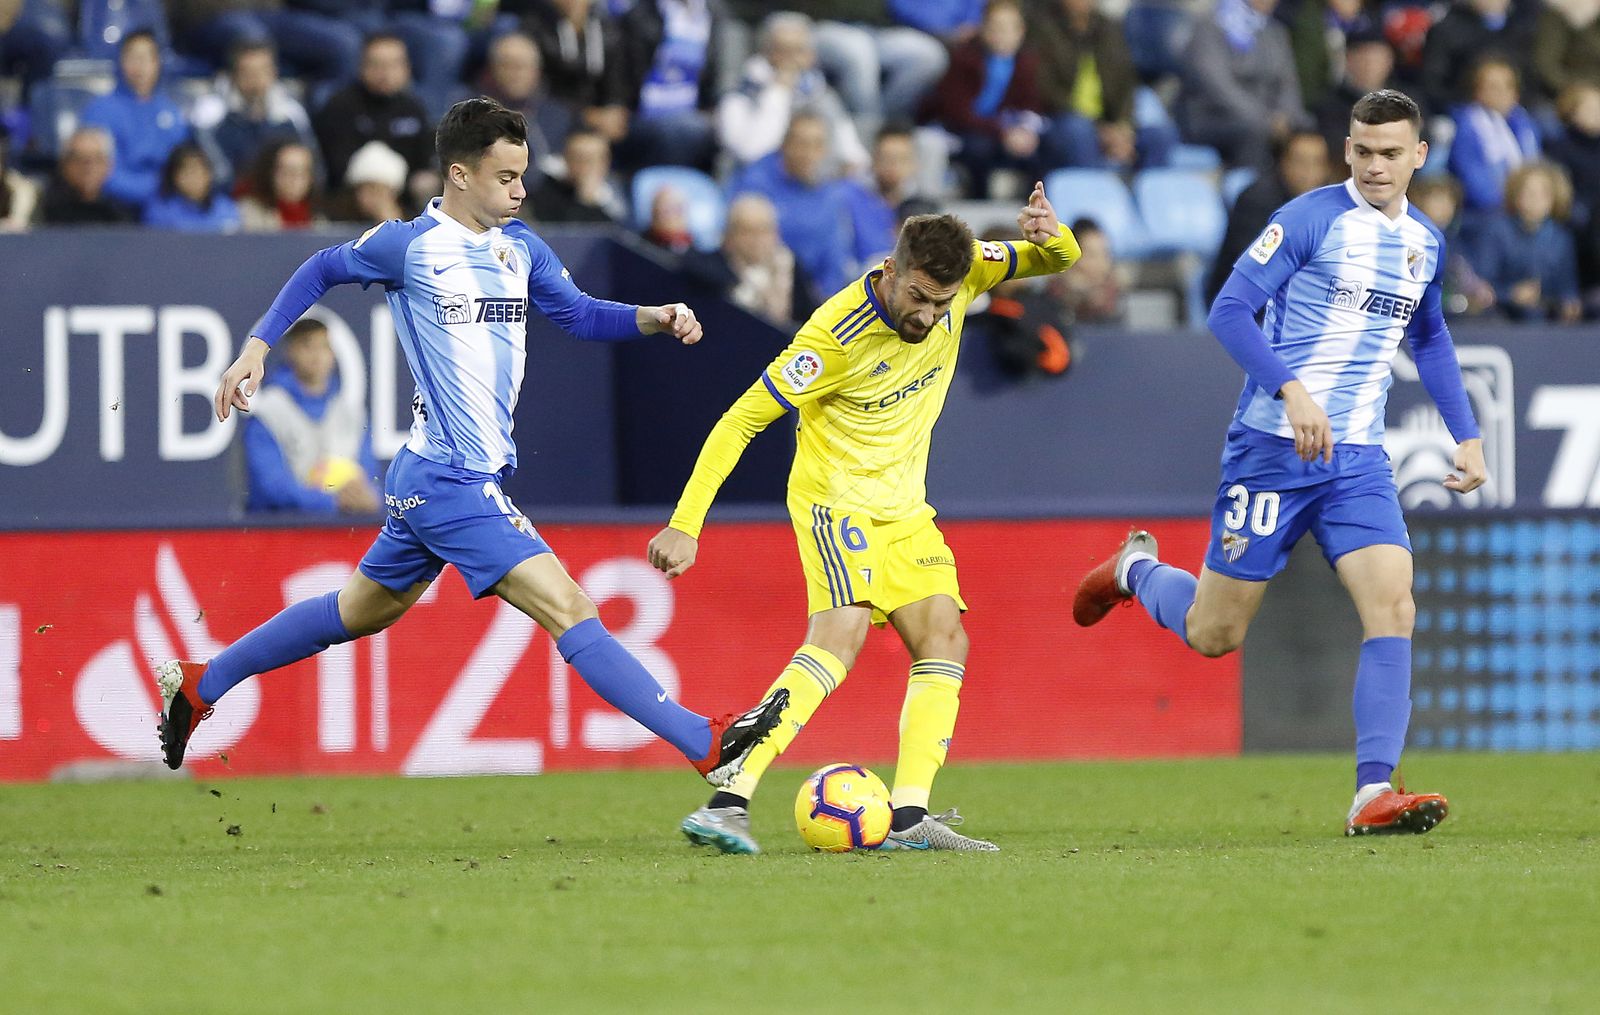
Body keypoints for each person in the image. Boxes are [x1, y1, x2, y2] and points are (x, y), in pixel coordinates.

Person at [157, 97, 787, 788]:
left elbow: (576, 313)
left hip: (433, 472)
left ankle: (200, 682)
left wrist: (653, 316)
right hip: (449, 478)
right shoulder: (410, 247)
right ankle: (705, 741)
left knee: (355, 610)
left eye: (523, 176)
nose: (520, 191)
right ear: (459, 175)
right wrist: (256, 347)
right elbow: (321, 269)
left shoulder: (520, 248)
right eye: (506, 177)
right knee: (570, 608)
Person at [1072, 90, 1487, 838]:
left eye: (1391, 153)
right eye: (1362, 151)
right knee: (1213, 634)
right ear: (1347, 150)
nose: (1375, 166)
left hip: (1356, 457)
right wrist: (1291, 389)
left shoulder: (1425, 240)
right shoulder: (1307, 219)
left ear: (1418, 156)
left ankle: (1371, 792)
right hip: (1271, 449)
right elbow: (1228, 309)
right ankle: (1137, 569)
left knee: (1394, 604)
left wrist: (1468, 432)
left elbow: (1429, 339)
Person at [648, 186, 1081, 854]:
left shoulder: (971, 270)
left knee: (945, 635)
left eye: (944, 303)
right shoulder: (834, 335)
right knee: (840, 636)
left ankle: (907, 814)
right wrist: (686, 521)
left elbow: (1058, 258)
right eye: (919, 297)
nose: (931, 315)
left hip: (904, 504)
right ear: (891, 269)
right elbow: (741, 420)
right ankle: (729, 796)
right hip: (835, 498)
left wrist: (1052, 234)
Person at [243, 318, 381, 515]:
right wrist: (332, 502)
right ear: (291, 352)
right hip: (283, 534)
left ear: (332, 354)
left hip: (342, 533)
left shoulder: (351, 413)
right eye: (308, 346)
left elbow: (368, 476)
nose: (317, 356)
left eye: (324, 347)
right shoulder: (268, 412)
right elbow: (270, 488)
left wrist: (370, 498)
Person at [919, 0, 1047, 198]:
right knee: (980, 148)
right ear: (983, 29)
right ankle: (979, 201)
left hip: (1002, 131)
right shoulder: (963, 57)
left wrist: (1025, 131)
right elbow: (958, 114)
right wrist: (1003, 132)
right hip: (960, 131)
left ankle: (1033, 206)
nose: (1002, 35)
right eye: (995, 28)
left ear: (1021, 31)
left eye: (1009, 28)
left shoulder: (1027, 62)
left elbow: (1030, 105)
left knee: (1038, 150)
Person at [716, 12, 868, 173]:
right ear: (766, 53)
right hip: (756, 185)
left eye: (798, 51)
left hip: (813, 186)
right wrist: (778, 93)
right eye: (782, 50)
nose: (790, 60)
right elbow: (752, 154)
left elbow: (852, 155)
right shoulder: (740, 94)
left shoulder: (822, 95)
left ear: (810, 57)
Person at [730, 111, 856, 298]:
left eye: (817, 145)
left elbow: (834, 264)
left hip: (806, 299)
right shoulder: (756, 180)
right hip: (753, 285)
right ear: (785, 144)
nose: (808, 153)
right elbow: (735, 242)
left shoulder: (830, 198)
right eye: (801, 143)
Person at [1177, 0, 1310, 170]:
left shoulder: (1276, 31)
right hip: (1211, 117)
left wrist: (1286, 116)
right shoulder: (1210, 26)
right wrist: (1265, 119)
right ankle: (1253, 191)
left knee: (1308, 128)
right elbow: (1218, 87)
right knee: (1256, 131)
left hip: (1268, 119)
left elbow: (1287, 83)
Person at [1206, 131, 1331, 303]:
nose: (1309, 172)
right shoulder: (1256, 200)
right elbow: (1252, 266)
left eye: (1317, 163)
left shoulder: (1327, 203)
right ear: (1283, 163)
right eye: (1301, 163)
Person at [79, 29, 191, 213]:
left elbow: (181, 165)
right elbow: (98, 171)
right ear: (121, 62)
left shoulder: (171, 112)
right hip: (114, 208)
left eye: (146, 58)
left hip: (169, 206)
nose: (139, 67)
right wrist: (155, 192)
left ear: (157, 63)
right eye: (132, 58)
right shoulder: (100, 110)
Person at [313, 33, 435, 197]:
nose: (385, 73)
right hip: (350, 199)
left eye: (393, 65)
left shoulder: (414, 108)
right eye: (377, 65)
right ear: (362, 67)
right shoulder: (341, 106)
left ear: (407, 69)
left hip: (405, 195)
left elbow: (425, 162)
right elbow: (338, 169)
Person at [1466, 161, 1583, 323]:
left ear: (1554, 198)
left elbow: (1567, 286)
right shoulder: (1496, 230)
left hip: (1549, 316)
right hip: (1502, 315)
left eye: (1543, 194)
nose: (1535, 200)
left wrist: (1570, 302)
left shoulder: (1561, 238)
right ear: (1516, 195)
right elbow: (1481, 283)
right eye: (1528, 192)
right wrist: (1511, 294)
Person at [190, 39, 318, 185]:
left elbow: (315, 171)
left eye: (263, 71)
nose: (256, 79)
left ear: (274, 72)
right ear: (233, 74)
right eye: (248, 72)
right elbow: (218, 175)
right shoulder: (210, 113)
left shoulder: (291, 113)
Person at [684, 192, 816, 323]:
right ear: (730, 235)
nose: (757, 240)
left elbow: (810, 313)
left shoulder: (788, 266)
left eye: (765, 230)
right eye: (748, 231)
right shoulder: (711, 266)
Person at [1447, 56, 1540, 213]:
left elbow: (1536, 169)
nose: (1501, 93)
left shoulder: (1527, 125)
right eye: (1493, 87)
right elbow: (1474, 181)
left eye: (1507, 86)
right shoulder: (1467, 126)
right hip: (1486, 212)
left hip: (1526, 209)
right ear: (1477, 91)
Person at [523, 129, 626, 224]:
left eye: (591, 160)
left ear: (605, 162)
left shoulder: (616, 191)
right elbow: (568, 235)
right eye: (578, 159)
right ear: (566, 158)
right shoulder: (546, 193)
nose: (584, 166)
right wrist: (585, 202)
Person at [36, 127, 135, 226]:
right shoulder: (42, 213)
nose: (88, 168)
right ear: (64, 165)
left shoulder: (120, 218)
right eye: (79, 159)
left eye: (96, 159)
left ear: (108, 166)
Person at [143, 143, 242, 233]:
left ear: (209, 175)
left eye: (199, 171)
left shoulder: (225, 208)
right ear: (174, 176)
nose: (194, 178)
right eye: (187, 173)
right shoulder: (160, 211)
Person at [239, 139, 326, 232]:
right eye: (287, 171)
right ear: (270, 173)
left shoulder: (319, 222)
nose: (294, 178)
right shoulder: (248, 213)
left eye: (303, 171)